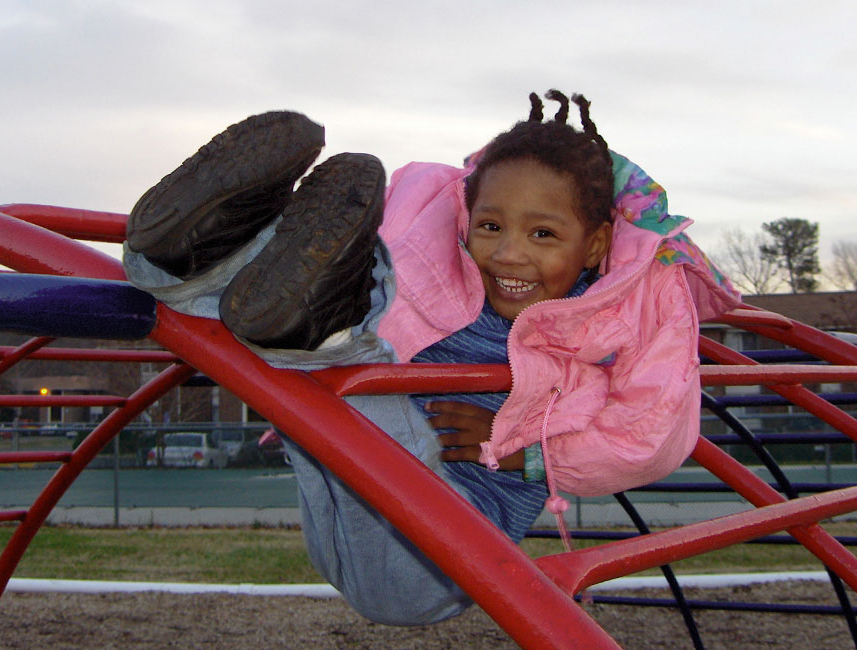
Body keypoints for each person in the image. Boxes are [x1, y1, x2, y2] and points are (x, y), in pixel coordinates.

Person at [122, 90, 741, 625]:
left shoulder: (624, 307)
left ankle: (187, 271)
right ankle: (204, 255)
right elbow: (334, 261)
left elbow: (654, 433)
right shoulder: (441, 256)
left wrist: (526, 452)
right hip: (385, 432)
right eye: (491, 226)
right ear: (468, 216)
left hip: (474, 479)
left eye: (543, 234)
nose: (508, 254)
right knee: (413, 588)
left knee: (287, 358)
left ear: (596, 242)